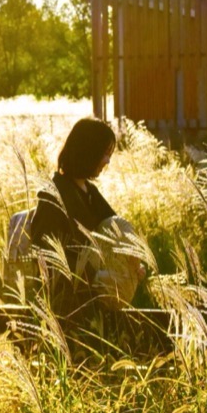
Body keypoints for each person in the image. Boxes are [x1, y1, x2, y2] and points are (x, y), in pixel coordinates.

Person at [25, 117, 143, 317]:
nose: (107, 161)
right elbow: (46, 254)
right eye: (104, 153)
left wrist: (134, 263)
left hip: (94, 303)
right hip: (68, 308)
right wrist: (94, 278)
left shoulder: (89, 192)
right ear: (87, 152)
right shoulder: (53, 196)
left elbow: (115, 229)